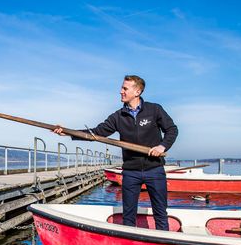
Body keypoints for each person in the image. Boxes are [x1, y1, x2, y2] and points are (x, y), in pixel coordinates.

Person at [54, 75, 178, 230]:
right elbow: (97, 133)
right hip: (131, 172)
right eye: (122, 88)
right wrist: (66, 132)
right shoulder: (118, 116)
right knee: (128, 215)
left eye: (125, 88)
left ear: (137, 91)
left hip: (154, 169)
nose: (121, 91)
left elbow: (172, 130)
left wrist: (162, 147)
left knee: (160, 213)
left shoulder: (154, 109)